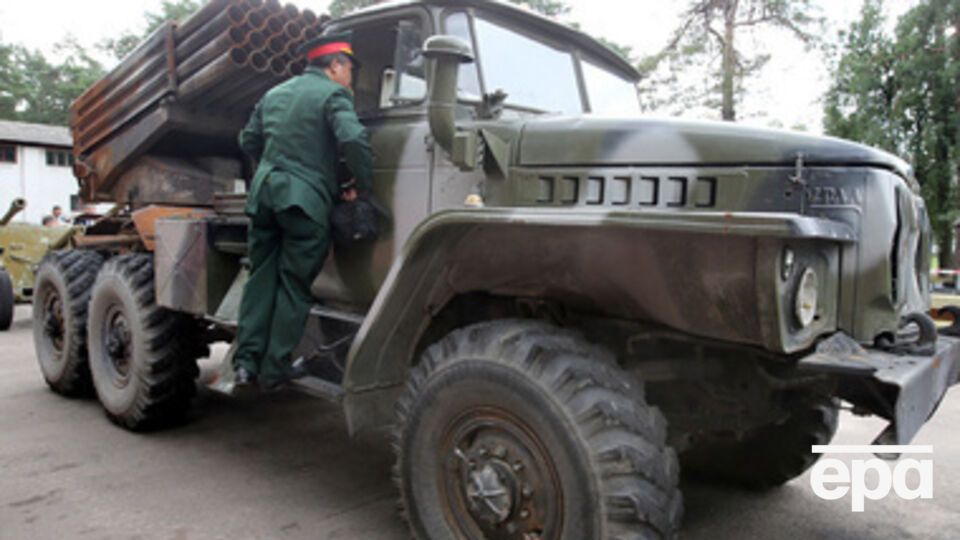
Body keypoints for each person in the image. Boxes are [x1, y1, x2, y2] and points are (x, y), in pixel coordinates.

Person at [233, 32, 373, 389]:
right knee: (293, 285)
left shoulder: (275, 93)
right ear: (336, 65)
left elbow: (248, 140)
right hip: (304, 202)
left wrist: (275, 162)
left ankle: (245, 364)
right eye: (349, 71)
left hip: (264, 196)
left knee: (261, 278)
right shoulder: (333, 94)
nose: (350, 79)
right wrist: (363, 187)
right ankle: (275, 368)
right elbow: (354, 139)